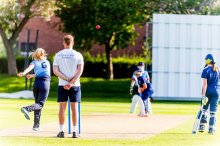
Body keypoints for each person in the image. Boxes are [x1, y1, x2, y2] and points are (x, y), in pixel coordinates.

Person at [53, 34, 84, 138]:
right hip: (75, 85)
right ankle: (75, 132)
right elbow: (80, 71)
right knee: (74, 108)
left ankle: (61, 131)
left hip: (62, 84)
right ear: (73, 42)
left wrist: (66, 80)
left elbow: (55, 71)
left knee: (62, 108)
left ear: (63, 42)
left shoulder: (58, 55)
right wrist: (71, 82)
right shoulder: (78, 54)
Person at [17, 48, 50, 131]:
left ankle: (36, 126)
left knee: (37, 105)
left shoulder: (34, 62)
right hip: (45, 83)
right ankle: (27, 108)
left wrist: (25, 73)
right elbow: (44, 73)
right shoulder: (47, 62)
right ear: (43, 54)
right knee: (40, 104)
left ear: (35, 55)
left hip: (37, 84)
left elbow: (30, 69)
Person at [199, 54, 220, 135]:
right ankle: (211, 129)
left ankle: (202, 127)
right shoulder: (217, 70)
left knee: (204, 110)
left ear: (208, 60)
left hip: (207, 92)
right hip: (216, 93)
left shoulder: (205, 70)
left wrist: (203, 96)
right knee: (213, 112)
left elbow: (204, 84)